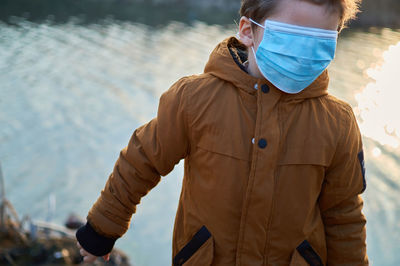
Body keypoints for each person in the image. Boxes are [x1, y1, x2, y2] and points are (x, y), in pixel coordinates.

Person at [76, 0, 368, 265]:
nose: (303, 55)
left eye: (318, 43)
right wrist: (102, 229)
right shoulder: (195, 99)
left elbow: (344, 216)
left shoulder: (337, 123)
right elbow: (142, 161)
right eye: (291, 37)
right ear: (247, 31)